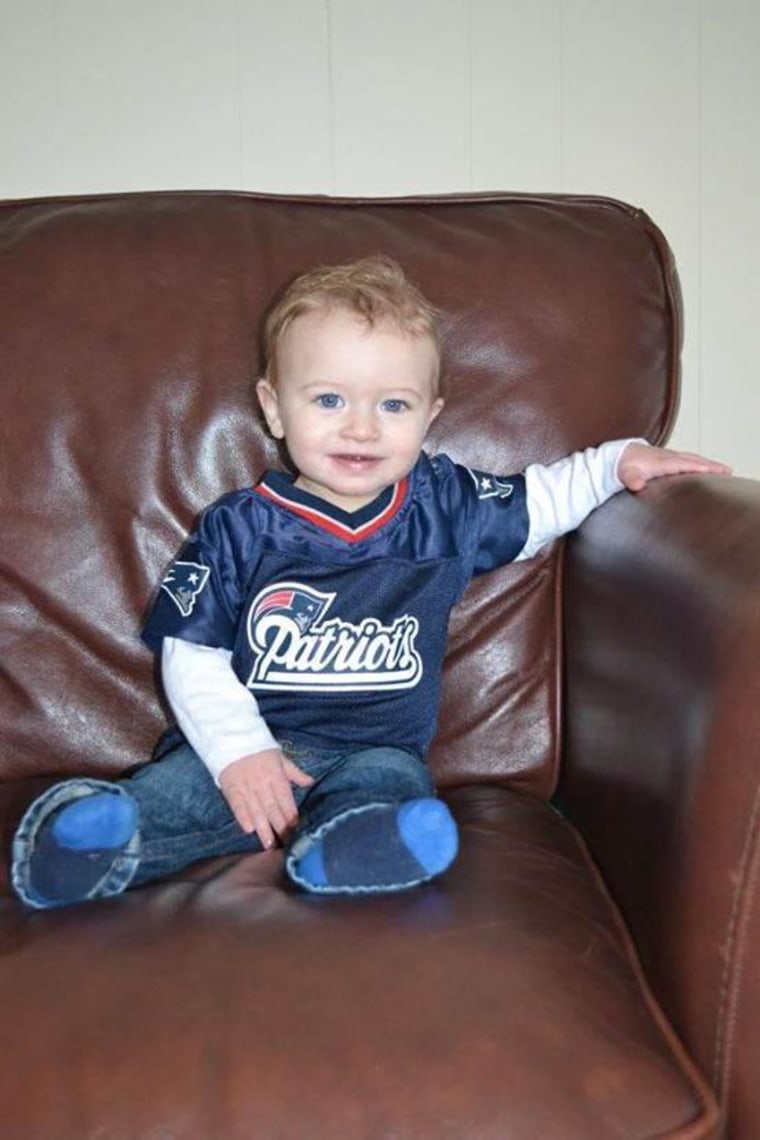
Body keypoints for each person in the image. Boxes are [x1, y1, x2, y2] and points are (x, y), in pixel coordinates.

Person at [11, 256, 731, 909]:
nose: (361, 427)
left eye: (393, 405)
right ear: (272, 408)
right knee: (182, 794)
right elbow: (191, 652)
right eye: (328, 400)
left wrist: (616, 463)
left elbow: (541, 500)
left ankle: (357, 847)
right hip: (254, 741)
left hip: (375, 747)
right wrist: (240, 753)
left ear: (430, 417)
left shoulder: (444, 505)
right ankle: (87, 841)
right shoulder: (240, 528)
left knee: (391, 786)